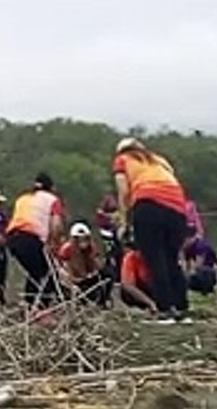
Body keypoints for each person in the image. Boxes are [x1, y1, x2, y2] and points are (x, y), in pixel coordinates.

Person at [113, 138, 191, 324]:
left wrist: (125, 222)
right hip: (177, 208)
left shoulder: (123, 160)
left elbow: (124, 192)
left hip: (148, 205)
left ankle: (165, 310)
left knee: (155, 259)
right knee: (172, 259)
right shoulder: (159, 160)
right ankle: (181, 308)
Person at [5, 172, 66, 309]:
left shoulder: (22, 198)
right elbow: (56, 224)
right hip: (30, 238)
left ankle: (29, 304)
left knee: (35, 272)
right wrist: (54, 243)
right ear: (51, 188)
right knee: (48, 274)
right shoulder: (52, 199)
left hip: (12, 239)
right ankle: (41, 308)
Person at [56, 222, 111, 307]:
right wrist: (71, 284)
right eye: (80, 239)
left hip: (86, 279)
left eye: (85, 239)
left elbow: (97, 266)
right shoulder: (67, 250)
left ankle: (103, 301)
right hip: (73, 283)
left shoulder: (91, 249)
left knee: (108, 274)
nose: (83, 242)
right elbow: (62, 273)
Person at [119, 244, 160, 316]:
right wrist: (149, 302)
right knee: (125, 292)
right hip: (139, 291)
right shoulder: (130, 258)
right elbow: (127, 285)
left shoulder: (159, 258)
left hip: (156, 289)